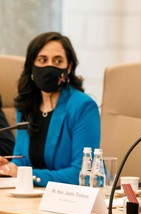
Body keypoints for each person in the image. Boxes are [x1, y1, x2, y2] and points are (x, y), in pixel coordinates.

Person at [0, 32, 101, 186]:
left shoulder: (83, 107)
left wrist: (28, 175)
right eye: (42, 60)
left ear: (69, 67)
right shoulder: (25, 105)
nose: (49, 66)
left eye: (58, 61)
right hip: (33, 196)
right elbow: (22, 161)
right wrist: (7, 168)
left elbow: (82, 173)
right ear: (32, 66)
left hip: (72, 198)